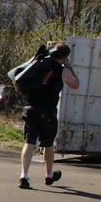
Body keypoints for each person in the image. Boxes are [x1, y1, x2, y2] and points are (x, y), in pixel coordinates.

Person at [17, 44, 79, 189]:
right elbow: (76, 84)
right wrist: (69, 66)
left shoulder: (38, 64)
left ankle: (23, 176)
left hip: (31, 109)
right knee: (48, 145)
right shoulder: (62, 70)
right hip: (48, 112)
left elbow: (20, 79)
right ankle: (49, 175)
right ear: (63, 57)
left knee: (29, 142)